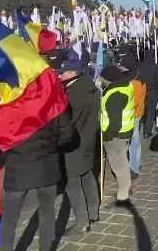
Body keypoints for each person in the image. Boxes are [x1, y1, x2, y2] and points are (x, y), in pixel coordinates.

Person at [0, 93, 76, 251]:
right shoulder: (53, 106)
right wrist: (53, 147)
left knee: (9, 217)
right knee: (47, 212)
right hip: (46, 167)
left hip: (18, 168)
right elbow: (68, 135)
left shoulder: (8, 107)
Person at [57, 59, 101, 235]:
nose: (60, 75)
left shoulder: (72, 96)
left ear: (72, 74)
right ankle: (93, 213)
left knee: (72, 183)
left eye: (63, 72)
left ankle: (82, 223)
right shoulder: (90, 86)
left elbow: (67, 123)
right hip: (88, 140)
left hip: (74, 143)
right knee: (87, 175)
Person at [99, 65, 136, 207]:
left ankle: (123, 194)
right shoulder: (124, 87)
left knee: (118, 164)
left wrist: (107, 136)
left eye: (101, 77)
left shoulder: (115, 94)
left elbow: (115, 121)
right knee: (122, 162)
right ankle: (126, 187)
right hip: (125, 131)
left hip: (116, 135)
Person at [118, 55, 146, 180]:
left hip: (133, 114)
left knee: (133, 140)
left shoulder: (135, 81)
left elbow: (134, 101)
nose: (120, 68)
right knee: (133, 139)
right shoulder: (133, 77)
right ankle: (135, 163)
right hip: (132, 113)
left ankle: (134, 167)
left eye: (122, 66)